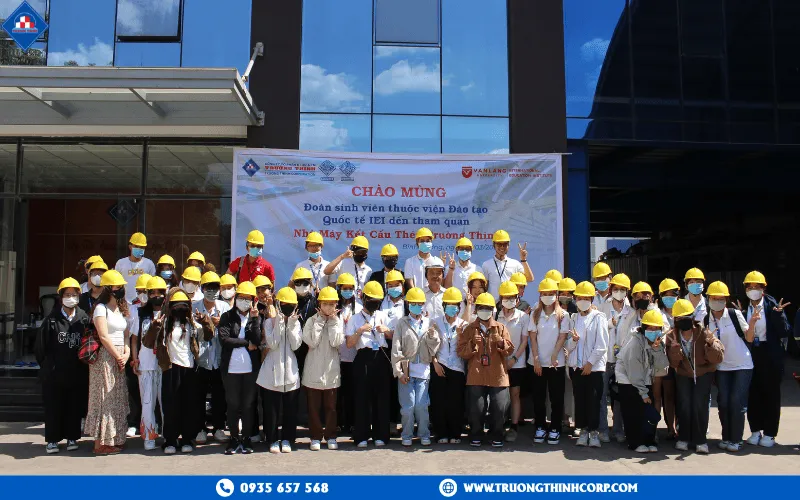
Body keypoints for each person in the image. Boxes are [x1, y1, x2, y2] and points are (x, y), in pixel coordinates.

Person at [35, 278, 89, 454]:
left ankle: (72, 437)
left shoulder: (84, 319)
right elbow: (40, 348)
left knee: (74, 406)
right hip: (54, 373)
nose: (71, 298)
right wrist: (48, 367)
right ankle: (52, 440)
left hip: (77, 372)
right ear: (61, 297)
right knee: (54, 407)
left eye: (74, 295)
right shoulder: (51, 320)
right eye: (67, 295)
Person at [146, 289, 201, 454]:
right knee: (170, 406)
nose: (180, 310)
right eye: (176, 306)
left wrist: (205, 321)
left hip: (189, 369)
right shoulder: (163, 323)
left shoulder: (192, 323)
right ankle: (170, 440)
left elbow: (209, 334)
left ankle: (187, 440)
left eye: (183, 306)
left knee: (188, 406)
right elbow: (148, 343)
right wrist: (154, 327)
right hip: (170, 369)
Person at [665, 299, 724, 454]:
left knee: (700, 405)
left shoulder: (704, 332)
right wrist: (675, 350)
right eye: (680, 318)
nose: (684, 321)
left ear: (693, 317)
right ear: (675, 320)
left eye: (687, 317)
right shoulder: (672, 336)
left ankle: (700, 440)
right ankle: (683, 437)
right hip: (683, 374)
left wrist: (711, 344)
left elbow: (717, 358)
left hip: (703, 373)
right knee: (684, 404)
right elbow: (673, 363)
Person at [457, 292, 514, 448]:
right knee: (476, 408)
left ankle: (497, 435)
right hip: (476, 374)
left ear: (493, 310)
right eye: (481, 308)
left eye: (488, 308)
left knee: (499, 407)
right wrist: (472, 345)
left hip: (497, 374)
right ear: (476, 310)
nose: (484, 311)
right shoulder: (469, 329)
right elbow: (461, 352)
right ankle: (476, 434)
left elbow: (509, 350)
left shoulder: (501, 328)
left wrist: (500, 342)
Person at [741, 271, 790, 448]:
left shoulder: (773, 306)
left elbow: (785, 332)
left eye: (757, 287)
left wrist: (778, 315)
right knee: (752, 393)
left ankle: (769, 433)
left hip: (770, 355)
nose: (753, 290)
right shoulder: (742, 307)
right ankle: (755, 431)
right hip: (751, 353)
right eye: (750, 287)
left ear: (764, 289)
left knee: (771, 394)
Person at [85, 270, 131, 455]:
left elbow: (126, 335)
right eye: (115, 286)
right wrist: (117, 355)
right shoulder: (100, 308)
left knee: (117, 397)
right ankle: (100, 443)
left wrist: (126, 354)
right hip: (105, 355)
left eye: (120, 286)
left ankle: (114, 438)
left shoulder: (121, 309)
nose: (119, 289)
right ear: (107, 288)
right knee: (104, 397)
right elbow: (103, 335)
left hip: (119, 354)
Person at [705, 281, 753, 452]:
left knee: (736, 401)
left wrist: (753, 321)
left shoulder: (734, 314)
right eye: (714, 298)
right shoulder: (706, 319)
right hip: (721, 367)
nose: (717, 301)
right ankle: (726, 437)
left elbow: (749, 337)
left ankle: (736, 439)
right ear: (708, 299)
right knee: (723, 402)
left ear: (726, 300)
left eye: (721, 298)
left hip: (742, 364)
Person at [391, 287, 440, 447]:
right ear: (408, 304)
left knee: (421, 406)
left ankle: (424, 434)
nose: (418, 306)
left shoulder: (429, 322)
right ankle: (407, 434)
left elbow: (435, 347)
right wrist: (399, 371)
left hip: (424, 371)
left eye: (420, 303)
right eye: (414, 303)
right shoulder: (402, 323)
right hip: (407, 371)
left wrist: (433, 336)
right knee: (408, 406)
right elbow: (396, 348)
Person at [345, 281, 392, 448]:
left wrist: (387, 331)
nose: (374, 303)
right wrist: (359, 331)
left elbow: (394, 336)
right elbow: (349, 344)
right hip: (362, 357)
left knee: (381, 398)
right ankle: (361, 435)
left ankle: (381, 435)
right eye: (371, 299)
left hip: (381, 356)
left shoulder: (383, 315)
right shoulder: (355, 318)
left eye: (377, 301)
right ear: (363, 298)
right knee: (361, 398)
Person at [217, 281, 261, 455]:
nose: (244, 301)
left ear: (253, 300)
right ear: (236, 299)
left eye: (247, 298)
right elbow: (225, 340)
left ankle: (247, 439)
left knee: (249, 405)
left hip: (250, 369)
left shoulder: (254, 317)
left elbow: (257, 340)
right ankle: (234, 439)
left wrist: (256, 319)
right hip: (231, 369)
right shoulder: (227, 317)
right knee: (233, 405)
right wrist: (245, 343)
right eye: (241, 298)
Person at [258, 287, 303, 454]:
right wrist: (279, 322)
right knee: (271, 409)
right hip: (271, 371)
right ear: (278, 304)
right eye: (284, 304)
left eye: (290, 305)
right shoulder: (269, 322)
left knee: (290, 409)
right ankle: (272, 438)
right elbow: (273, 343)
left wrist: (291, 324)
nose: (287, 308)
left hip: (290, 371)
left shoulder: (296, 322)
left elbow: (296, 344)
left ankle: (287, 438)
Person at [616, 309, 668, 453]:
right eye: (649, 328)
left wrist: (657, 351)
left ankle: (648, 440)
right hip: (628, 380)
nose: (653, 331)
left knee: (646, 413)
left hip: (645, 380)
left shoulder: (658, 343)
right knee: (633, 412)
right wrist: (643, 393)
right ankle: (635, 442)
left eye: (656, 328)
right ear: (644, 328)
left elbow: (662, 366)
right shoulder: (635, 343)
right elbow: (634, 372)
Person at [565, 281, 608, 449]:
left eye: (586, 298)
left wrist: (590, 363)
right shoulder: (573, 318)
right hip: (576, 367)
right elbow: (567, 346)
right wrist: (573, 341)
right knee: (580, 400)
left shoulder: (599, 318)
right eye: (579, 298)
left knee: (594, 401)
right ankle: (583, 431)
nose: (582, 300)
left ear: (591, 299)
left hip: (594, 368)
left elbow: (602, 345)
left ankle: (594, 432)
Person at [302, 286, 345, 451]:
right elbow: (312, 341)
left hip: (331, 371)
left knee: (331, 407)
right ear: (319, 304)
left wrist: (333, 322)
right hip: (313, 370)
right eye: (325, 304)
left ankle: (331, 435)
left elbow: (336, 342)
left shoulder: (337, 321)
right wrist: (320, 321)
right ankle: (315, 436)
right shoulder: (311, 320)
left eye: (332, 304)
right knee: (313, 407)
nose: (329, 307)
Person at [529, 277, 569, 445]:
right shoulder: (535, 313)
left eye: (551, 293)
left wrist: (554, 355)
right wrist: (536, 359)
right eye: (544, 293)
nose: (548, 296)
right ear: (540, 295)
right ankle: (540, 426)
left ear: (556, 295)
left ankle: (555, 428)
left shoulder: (563, 315)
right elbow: (532, 337)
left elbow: (562, 336)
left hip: (556, 364)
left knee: (556, 398)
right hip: (537, 363)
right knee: (538, 398)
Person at [192, 271, 231, 445]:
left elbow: (231, 330)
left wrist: (220, 324)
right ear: (202, 288)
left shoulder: (225, 308)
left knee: (219, 395)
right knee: (198, 396)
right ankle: (200, 428)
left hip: (219, 359)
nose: (212, 291)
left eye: (216, 288)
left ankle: (218, 428)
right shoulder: (194, 307)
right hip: (201, 360)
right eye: (209, 288)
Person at [130, 276, 167, 451]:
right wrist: (135, 358)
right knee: (147, 401)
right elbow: (135, 339)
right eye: (152, 292)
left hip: (165, 364)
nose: (156, 295)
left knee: (166, 401)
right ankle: (149, 436)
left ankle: (169, 434)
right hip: (145, 363)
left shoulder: (170, 312)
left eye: (159, 292)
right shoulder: (140, 313)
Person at [597, 273, 632, 443]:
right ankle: (603, 430)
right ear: (611, 290)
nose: (619, 292)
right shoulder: (603, 307)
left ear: (627, 291)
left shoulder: (631, 310)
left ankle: (618, 430)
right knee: (601, 396)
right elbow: (599, 329)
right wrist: (610, 323)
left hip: (622, 361)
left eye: (622, 289)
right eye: (616, 289)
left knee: (619, 398)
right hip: (605, 359)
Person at [431, 287, 467, 444]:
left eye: (456, 305)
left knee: (455, 403)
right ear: (443, 305)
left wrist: (460, 335)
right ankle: (441, 433)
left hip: (457, 368)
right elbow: (429, 346)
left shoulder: (464, 325)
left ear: (460, 307)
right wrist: (435, 363)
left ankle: (455, 434)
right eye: (449, 304)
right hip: (440, 365)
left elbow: (466, 349)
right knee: (439, 402)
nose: (453, 308)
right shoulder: (435, 322)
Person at [495, 280, 529, 443]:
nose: (509, 300)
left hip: (517, 362)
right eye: (506, 297)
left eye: (512, 297)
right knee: (499, 396)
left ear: (517, 298)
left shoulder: (523, 317)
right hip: (498, 362)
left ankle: (513, 426)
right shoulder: (495, 314)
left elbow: (524, 341)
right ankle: (499, 425)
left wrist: (514, 359)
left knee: (514, 394)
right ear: (501, 298)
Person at [125, 273, 151, 438]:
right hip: (136, 353)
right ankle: (134, 423)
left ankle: (153, 424)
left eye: (145, 291)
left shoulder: (159, 308)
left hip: (153, 356)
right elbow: (131, 336)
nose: (142, 294)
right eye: (139, 291)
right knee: (134, 390)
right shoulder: (133, 308)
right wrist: (133, 358)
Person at [335, 273, 361, 435]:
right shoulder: (334, 306)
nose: (347, 291)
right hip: (337, 356)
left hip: (354, 356)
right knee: (338, 392)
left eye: (350, 289)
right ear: (339, 289)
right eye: (344, 289)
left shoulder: (358, 307)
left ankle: (352, 423)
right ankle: (338, 422)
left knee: (353, 392)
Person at [656, 278, 680, 440]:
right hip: (662, 359)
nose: (670, 298)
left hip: (680, 361)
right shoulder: (657, 314)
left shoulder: (684, 311)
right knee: (663, 395)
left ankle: (676, 426)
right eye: (666, 295)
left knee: (677, 395)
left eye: (673, 295)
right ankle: (663, 428)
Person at [481, 230, 533, 301]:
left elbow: (530, 278)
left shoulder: (515, 264)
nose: (502, 247)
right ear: (494, 245)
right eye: (499, 244)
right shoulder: (486, 264)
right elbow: (484, 287)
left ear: (508, 245)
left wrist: (523, 259)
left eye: (505, 244)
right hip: (493, 305)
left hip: (510, 304)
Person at [324, 235, 372, 300]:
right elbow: (326, 271)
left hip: (360, 305)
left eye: (363, 252)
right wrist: (342, 256)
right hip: (343, 303)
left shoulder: (368, 270)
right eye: (358, 252)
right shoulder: (344, 262)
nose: (360, 254)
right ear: (353, 251)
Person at [114, 232, 156, 304]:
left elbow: (153, 285)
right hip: (125, 304)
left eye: (142, 247)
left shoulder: (149, 264)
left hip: (143, 304)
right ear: (130, 247)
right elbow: (116, 285)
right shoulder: (121, 263)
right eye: (136, 246)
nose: (139, 249)